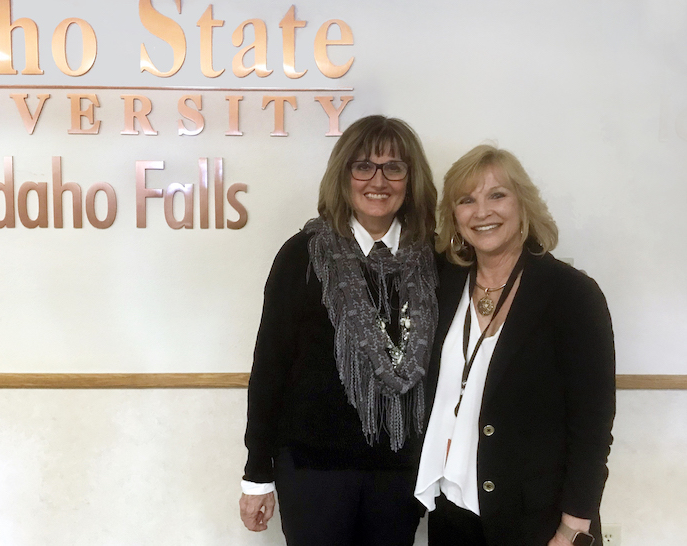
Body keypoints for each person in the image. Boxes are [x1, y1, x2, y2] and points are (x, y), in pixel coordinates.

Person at [239, 115, 439, 546]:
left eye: (394, 167)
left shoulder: (437, 262)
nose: (378, 180)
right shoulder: (302, 256)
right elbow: (270, 367)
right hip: (313, 472)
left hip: (402, 472)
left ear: (411, 178)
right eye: (363, 165)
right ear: (343, 174)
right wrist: (257, 474)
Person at [415, 145, 615, 546]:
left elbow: (592, 427)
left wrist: (572, 528)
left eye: (497, 195)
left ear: (523, 205)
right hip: (452, 511)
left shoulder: (571, 294)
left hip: (535, 519)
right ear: (454, 217)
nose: (482, 211)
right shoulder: (442, 285)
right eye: (466, 200)